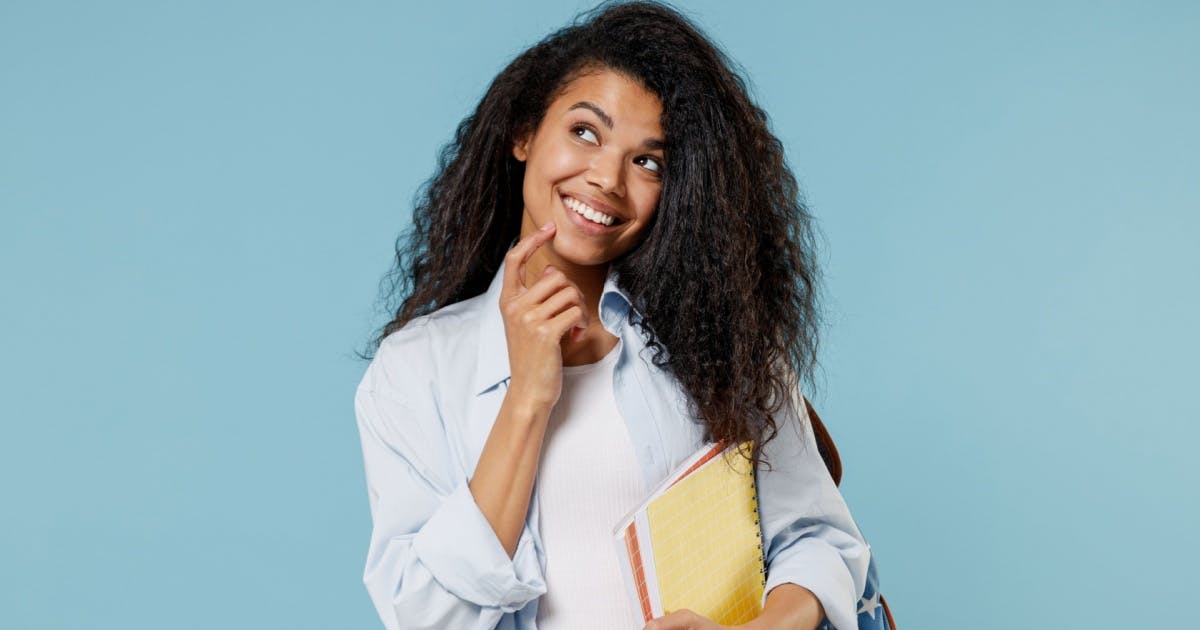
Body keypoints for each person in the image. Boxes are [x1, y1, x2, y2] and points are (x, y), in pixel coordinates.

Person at [354, 2, 873, 628]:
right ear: (524, 134)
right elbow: (424, 616)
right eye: (584, 131)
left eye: (647, 161)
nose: (606, 178)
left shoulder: (721, 340)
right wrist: (527, 398)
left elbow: (820, 543)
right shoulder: (416, 368)